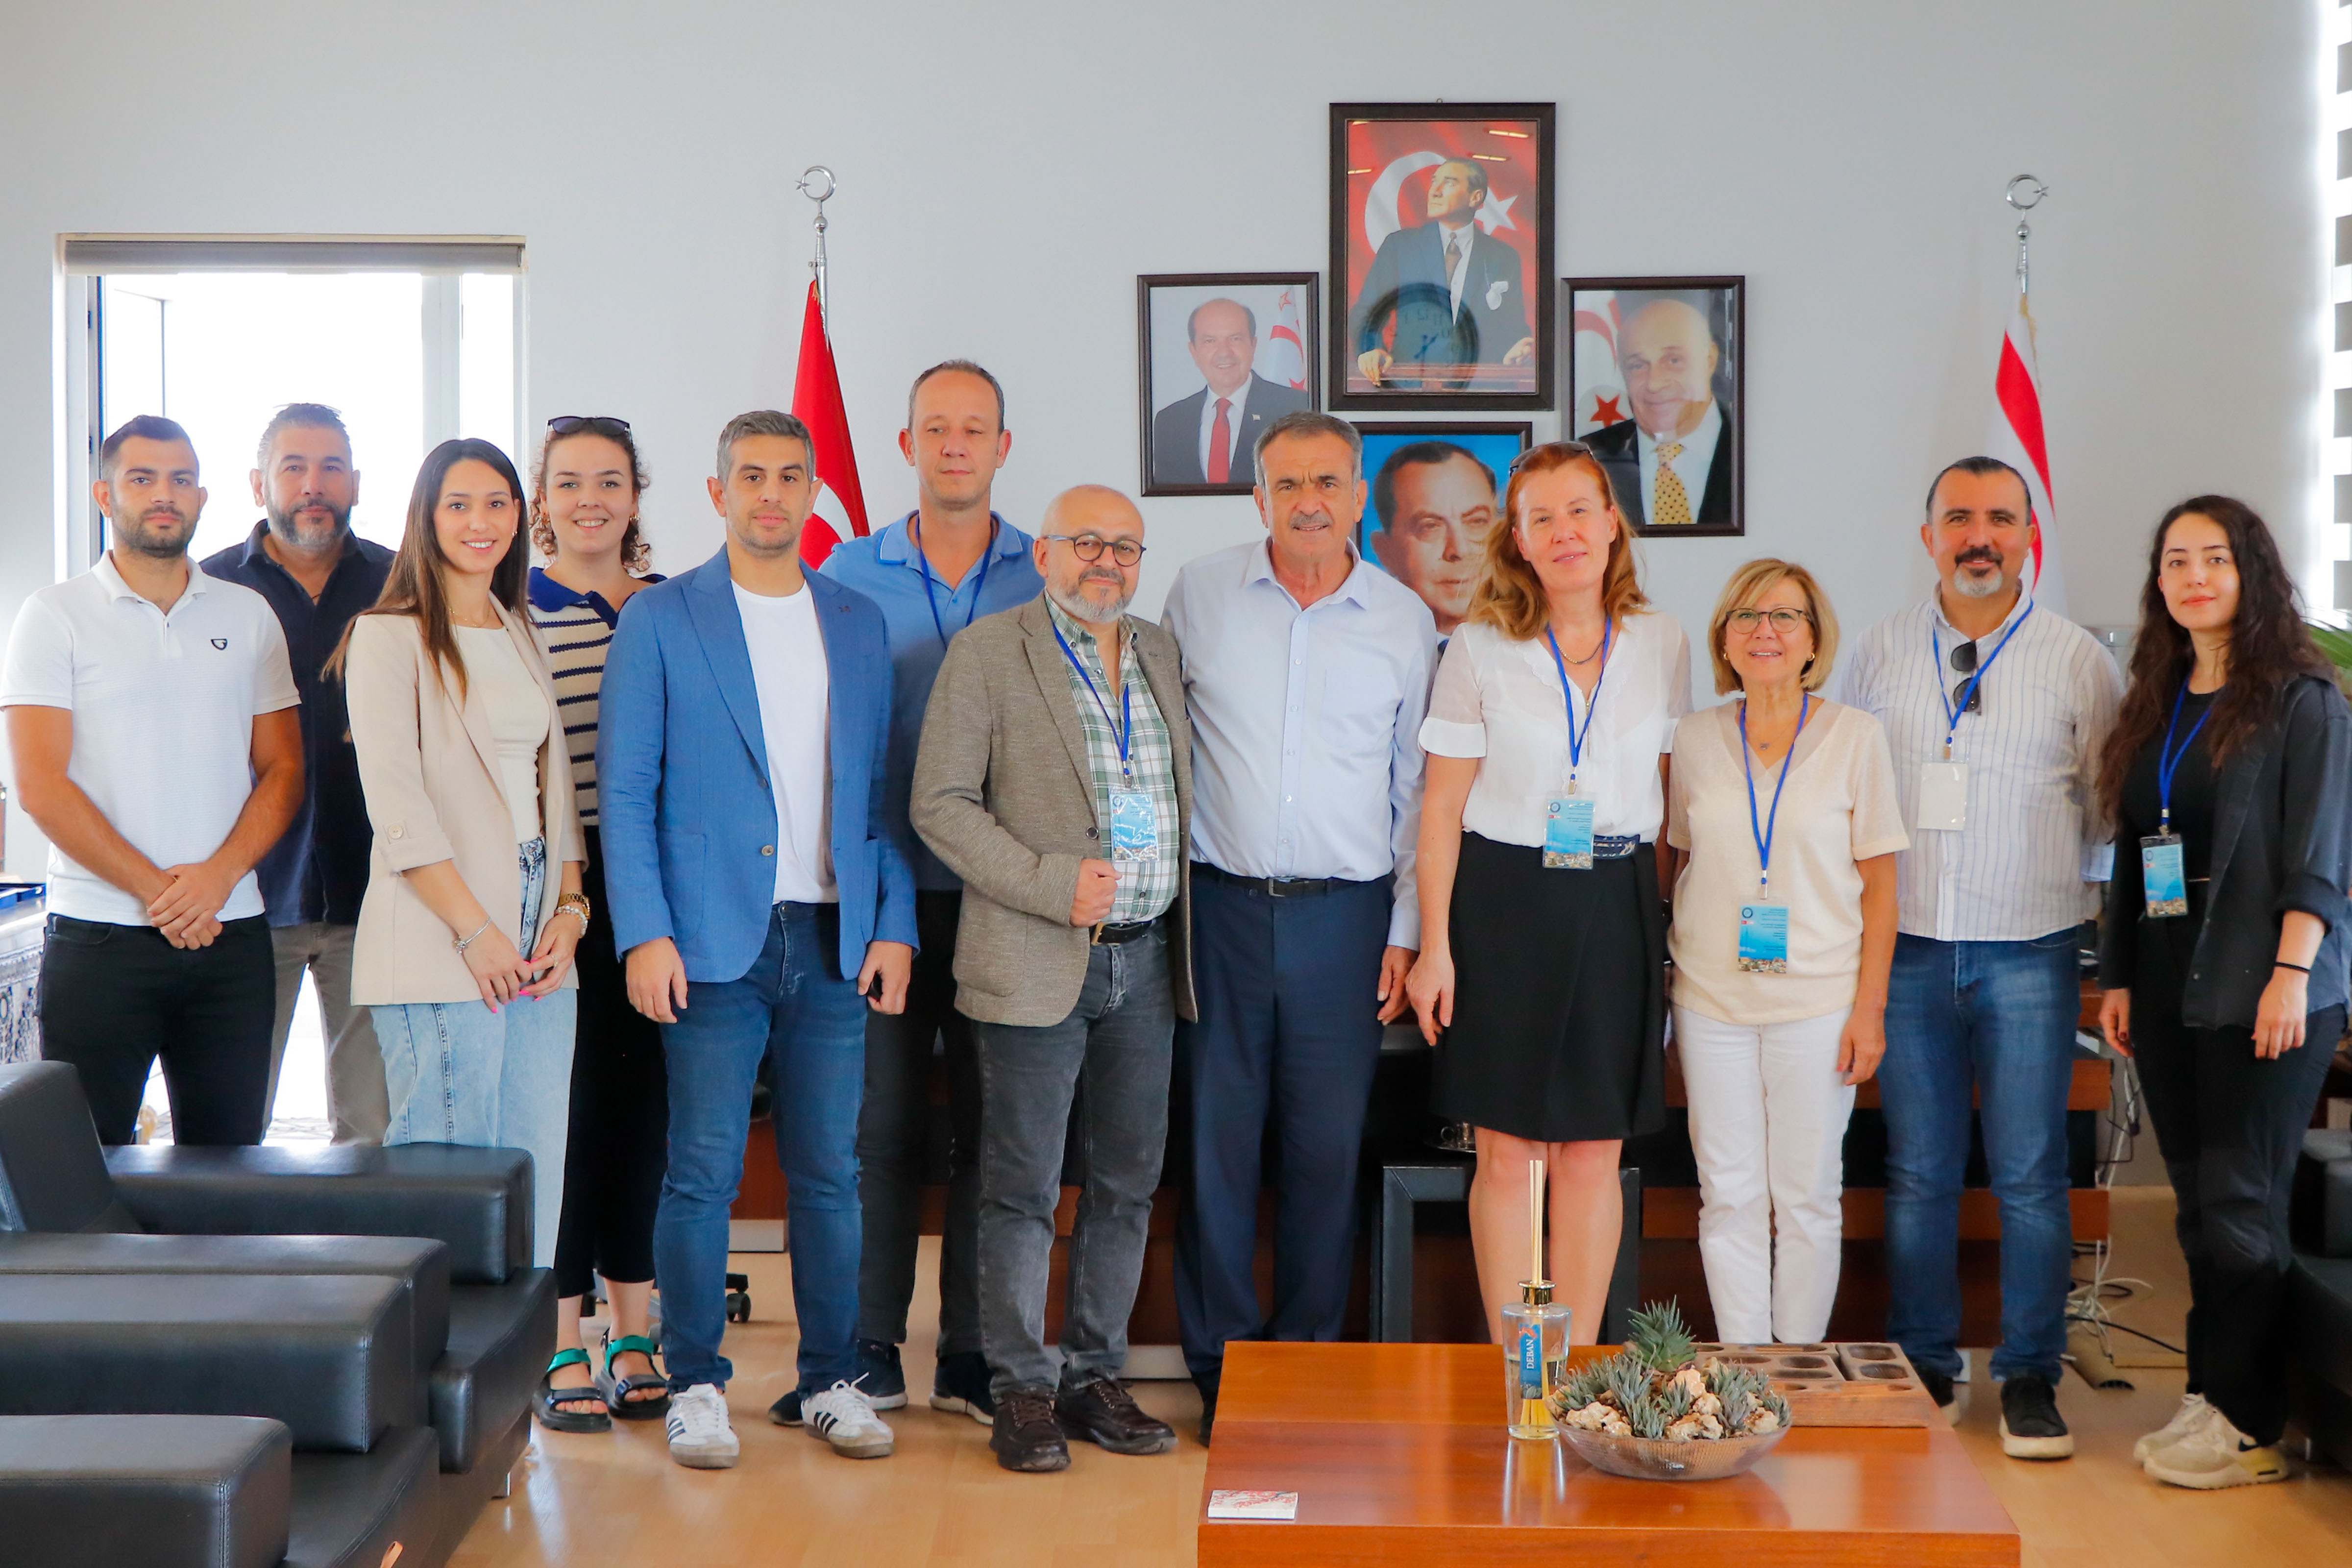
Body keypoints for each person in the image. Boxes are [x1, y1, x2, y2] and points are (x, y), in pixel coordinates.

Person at [598, 410, 916, 1470]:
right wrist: (645, 933)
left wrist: (893, 926)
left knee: (831, 1173)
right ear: (717, 492)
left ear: (815, 491)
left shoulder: (858, 620)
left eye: (789, 476)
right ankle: (695, 1383)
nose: (771, 493)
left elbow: (880, 792)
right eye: (751, 476)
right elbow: (626, 793)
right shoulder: (662, 618)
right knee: (702, 1172)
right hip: (706, 940)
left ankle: (830, 1380)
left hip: (833, 936)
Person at [1836, 455, 2122, 1457]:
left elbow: (2109, 809)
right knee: (1918, 1169)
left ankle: (2031, 1372)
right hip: (1908, 947)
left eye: (2001, 518)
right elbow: (1844, 790)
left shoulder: (2077, 660)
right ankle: (1925, 1362)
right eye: (1959, 518)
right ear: (1929, 538)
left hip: (2031, 949)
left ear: (2029, 535)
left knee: (2031, 1173)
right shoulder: (1876, 651)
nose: (1980, 538)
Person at [1163, 410, 1435, 1444]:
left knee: (1326, 1154)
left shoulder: (1403, 619)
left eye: (1327, 482)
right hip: (1220, 912)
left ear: (1360, 494)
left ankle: (1310, 1362)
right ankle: (1224, 1369)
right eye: (1287, 484)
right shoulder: (1200, 594)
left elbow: (1415, 791)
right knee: (1218, 1150)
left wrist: (1404, 929)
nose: (1308, 502)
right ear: (1259, 497)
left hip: (1347, 921)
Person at [912, 484, 1190, 1474]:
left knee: (1126, 1183)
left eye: (1125, 546)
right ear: (1044, 553)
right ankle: (1021, 1390)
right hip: (1033, 956)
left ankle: (1094, 1375)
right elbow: (940, 803)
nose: (1106, 561)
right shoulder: (989, 652)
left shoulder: (1160, 651)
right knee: (1022, 1187)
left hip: (1147, 960)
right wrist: (1048, 882)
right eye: (1087, 542)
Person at [1405, 441, 1690, 1346]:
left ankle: (1570, 1370)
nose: (1564, 531)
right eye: (1541, 518)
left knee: (1593, 1150)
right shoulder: (1478, 647)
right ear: (1519, 540)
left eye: (1579, 510)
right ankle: (1516, 1369)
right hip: (1504, 907)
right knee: (1509, 1152)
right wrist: (1435, 946)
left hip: (1616, 903)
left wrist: (1668, 932)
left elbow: (1675, 800)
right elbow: (1441, 811)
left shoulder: (1664, 642)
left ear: (1611, 525)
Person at [2094, 497, 2352, 1490]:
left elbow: (2321, 854)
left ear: (2252, 572)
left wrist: (2292, 975)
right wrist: (2120, 974)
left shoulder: (2301, 698)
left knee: (2243, 1200)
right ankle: (2214, 1390)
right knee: (2199, 1205)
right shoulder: (2160, 696)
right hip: (2169, 978)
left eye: (2214, 558)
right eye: (2176, 561)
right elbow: (2134, 850)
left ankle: (2250, 1428)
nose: (2194, 577)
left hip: (2266, 978)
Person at [822, 360, 1044, 1425]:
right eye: (936, 428)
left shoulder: (1045, 571)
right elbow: (838, 748)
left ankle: (971, 1353)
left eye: (975, 428)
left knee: (995, 1132)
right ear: (907, 445)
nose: (956, 445)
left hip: (1011, 897)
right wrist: (885, 907)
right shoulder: (845, 574)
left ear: (1004, 446)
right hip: (885, 896)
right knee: (883, 1127)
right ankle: (872, 1343)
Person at [3, 415, 302, 1146]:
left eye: (180, 480)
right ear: (106, 496)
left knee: (229, 1168)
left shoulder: (249, 614)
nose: (164, 494)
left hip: (230, 935)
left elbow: (285, 769)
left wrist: (216, 881)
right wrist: (162, 893)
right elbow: (41, 784)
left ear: (202, 497)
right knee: (85, 1167)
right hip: (99, 939)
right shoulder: (54, 615)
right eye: (142, 479)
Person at [339, 438, 586, 1277]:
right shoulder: (388, 636)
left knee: (534, 1164)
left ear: (520, 517)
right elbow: (398, 811)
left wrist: (571, 911)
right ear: (427, 518)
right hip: (442, 920)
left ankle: (521, 1354)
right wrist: (476, 932)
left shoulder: (519, 627)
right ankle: (429, 1353)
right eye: (459, 504)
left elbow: (555, 792)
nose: (481, 522)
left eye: (498, 503)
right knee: (450, 1164)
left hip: (538, 915)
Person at [1665, 559, 1906, 1345]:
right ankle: (1745, 1368)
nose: (1764, 631)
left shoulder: (1856, 737)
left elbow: (1882, 889)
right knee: (1728, 1194)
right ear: (1723, 639)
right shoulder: (1693, 738)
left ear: (1813, 639)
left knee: (1807, 1198)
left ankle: (1796, 1369)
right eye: (1746, 616)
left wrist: (1869, 1010)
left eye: (1785, 616)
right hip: (1711, 1002)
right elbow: (1679, 862)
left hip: (1819, 1003)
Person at [521, 416, 670, 1433]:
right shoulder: (511, 613)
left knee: (643, 1114)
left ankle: (635, 1330)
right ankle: (560, 1337)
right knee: (567, 1114)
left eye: (609, 481)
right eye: (569, 482)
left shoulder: (675, 607)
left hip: (657, 896)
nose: (590, 500)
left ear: (635, 496)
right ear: (542, 500)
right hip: (558, 895)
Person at [201, 402, 396, 1145]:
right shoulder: (208, 589)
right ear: (259, 485)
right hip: (245, 898)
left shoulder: (403, 585)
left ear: (357, 483)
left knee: (371, 1131)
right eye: (294, 467)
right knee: (230, 1126)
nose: (314, 484)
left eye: (331, 468)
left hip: (378, 894)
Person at [1351, 159, 1534, 390]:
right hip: (1411, 388)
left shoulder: (1503, 256)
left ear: (1475, 198)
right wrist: (1372, 349)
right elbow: (1367, 310)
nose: (1434, 191)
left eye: (1449, 183)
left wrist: (1521, 348)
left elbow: (1513, 326)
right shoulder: (1400, 247)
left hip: (1483, 390)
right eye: (1434, 182)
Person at [1584, 295, 1733, 530]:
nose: (1655, 383)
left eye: (1673, 360)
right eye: (1638, 365)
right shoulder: (1588, 459)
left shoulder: (1758, 451)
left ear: (1710, 360)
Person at [1150, 299, 1310, 487]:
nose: (1224, 352)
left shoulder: (1295, 408)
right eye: (1210, 341)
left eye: (1235, 339)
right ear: (1194, 351)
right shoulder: (1170, 422)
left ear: (1253, 345)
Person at [1365, 439, 1500, 636]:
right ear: (1385, 551)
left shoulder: (1537, 640)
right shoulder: (1364, 643)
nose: (1459, 550)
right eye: (1430, 526)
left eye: (1477, 522)